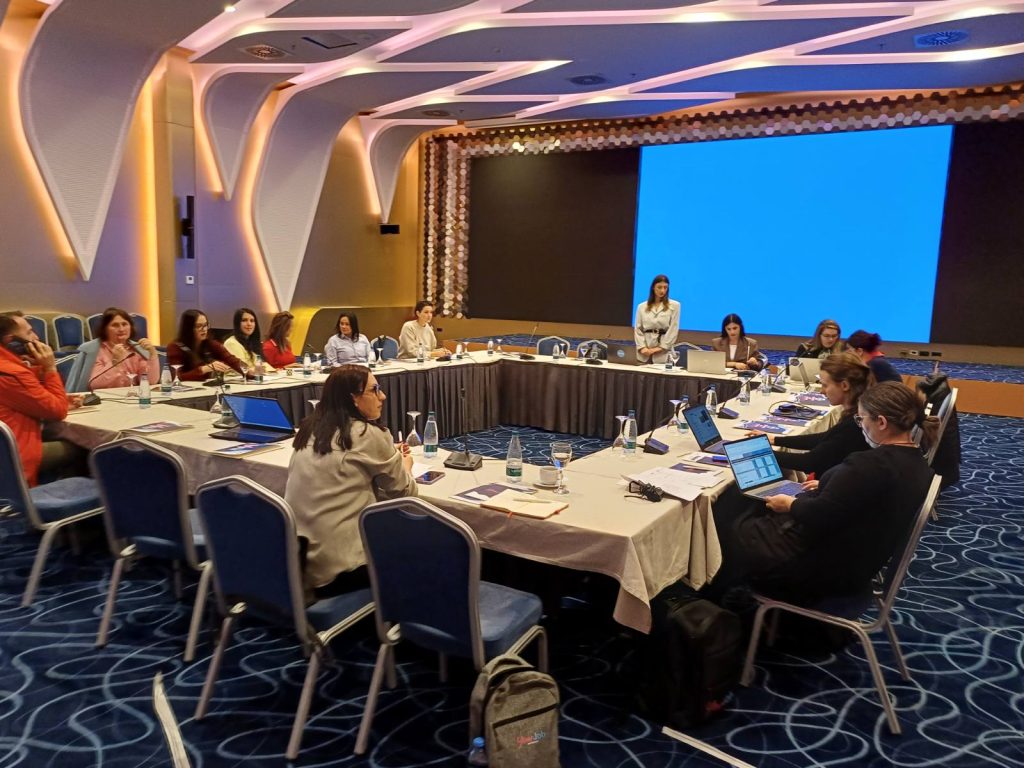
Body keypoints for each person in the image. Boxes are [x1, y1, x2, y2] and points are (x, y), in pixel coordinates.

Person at [714, 381, 936, 605]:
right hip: (858, 560)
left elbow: (819, 515)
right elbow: (867, 498)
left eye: (861, 419)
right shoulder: (918, 464)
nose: (860, 426)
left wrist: (789, 504)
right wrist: (831, 485)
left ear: (881, 422)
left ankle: (716, 598)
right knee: (749, 515)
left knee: (729, 520)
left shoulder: (869, 464)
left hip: (821, 570)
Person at [284, 365, 417, 598]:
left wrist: (386, 453)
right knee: (417, 547)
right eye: (374, 390)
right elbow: (405, 494)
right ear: (354, 398)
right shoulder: (368, 434)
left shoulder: (310, 427)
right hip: (338, 570)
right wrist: (405, 466)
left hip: (295, 559)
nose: (383, 396)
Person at [752, 352, 872, 477]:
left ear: (844, 385)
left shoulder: (854, 423)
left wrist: (758, 453)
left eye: (825, 385)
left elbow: (809, 462)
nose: (822, 391)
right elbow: (826, 438)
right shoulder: (855, 414)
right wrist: (775, 439)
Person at [0, 311, 84, 486]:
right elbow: (57, 411)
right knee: (84, 446)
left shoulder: (9, 368)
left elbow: (28, 398)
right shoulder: (12, 374)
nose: (36, 337)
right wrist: (50, 368)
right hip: (14, 457)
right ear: (11, 342)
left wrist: (39, 370)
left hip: (8, 450)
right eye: (29, 332)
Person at [72, 307, 160, 391]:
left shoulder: (137, 350)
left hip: (133, 397)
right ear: (105, 329)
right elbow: (95, 385)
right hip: (103, 398)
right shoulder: (95, 350)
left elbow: (150, 382)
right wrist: (115, 363)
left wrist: (152, 355)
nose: (121, 329)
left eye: (124, 324)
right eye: (115, 325)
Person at [165, 309, 244, 382]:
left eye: (205, 325)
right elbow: (177, 377)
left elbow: (232, 360)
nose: (204, 329)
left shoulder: (211, 344)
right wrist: (204, 369)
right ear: (188, 328)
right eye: (199, 326)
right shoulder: (175, 347)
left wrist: (248, 371)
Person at [633, 274, 680, 364]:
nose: (662, 290)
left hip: (663, 354)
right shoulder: (641, 306)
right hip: (643, 354)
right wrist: (642, 348)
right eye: (659, 287)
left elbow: (673, 330)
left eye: (665, 287)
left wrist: (659, 348)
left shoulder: (675, 305)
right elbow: (638, 329)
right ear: (653, 288)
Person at [223, 308, 273, 373]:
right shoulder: (231, 343)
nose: (249, 324)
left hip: (258, 378)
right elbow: (243, 369)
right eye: (244, 320)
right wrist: (262, 369)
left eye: (252, 321)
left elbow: (264, 365)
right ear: (237, 324)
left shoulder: (252, 343)